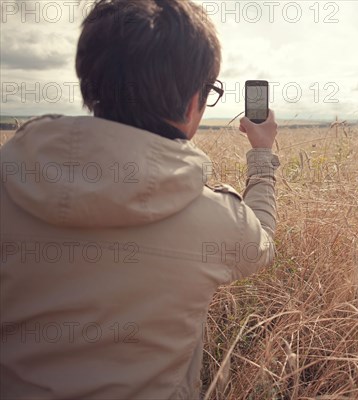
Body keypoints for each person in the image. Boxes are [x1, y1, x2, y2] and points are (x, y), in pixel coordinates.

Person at [0, 1, 279, 398]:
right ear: (191, 102)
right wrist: (262, 154)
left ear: (89, 85)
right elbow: (263, 241)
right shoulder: (217, 221)